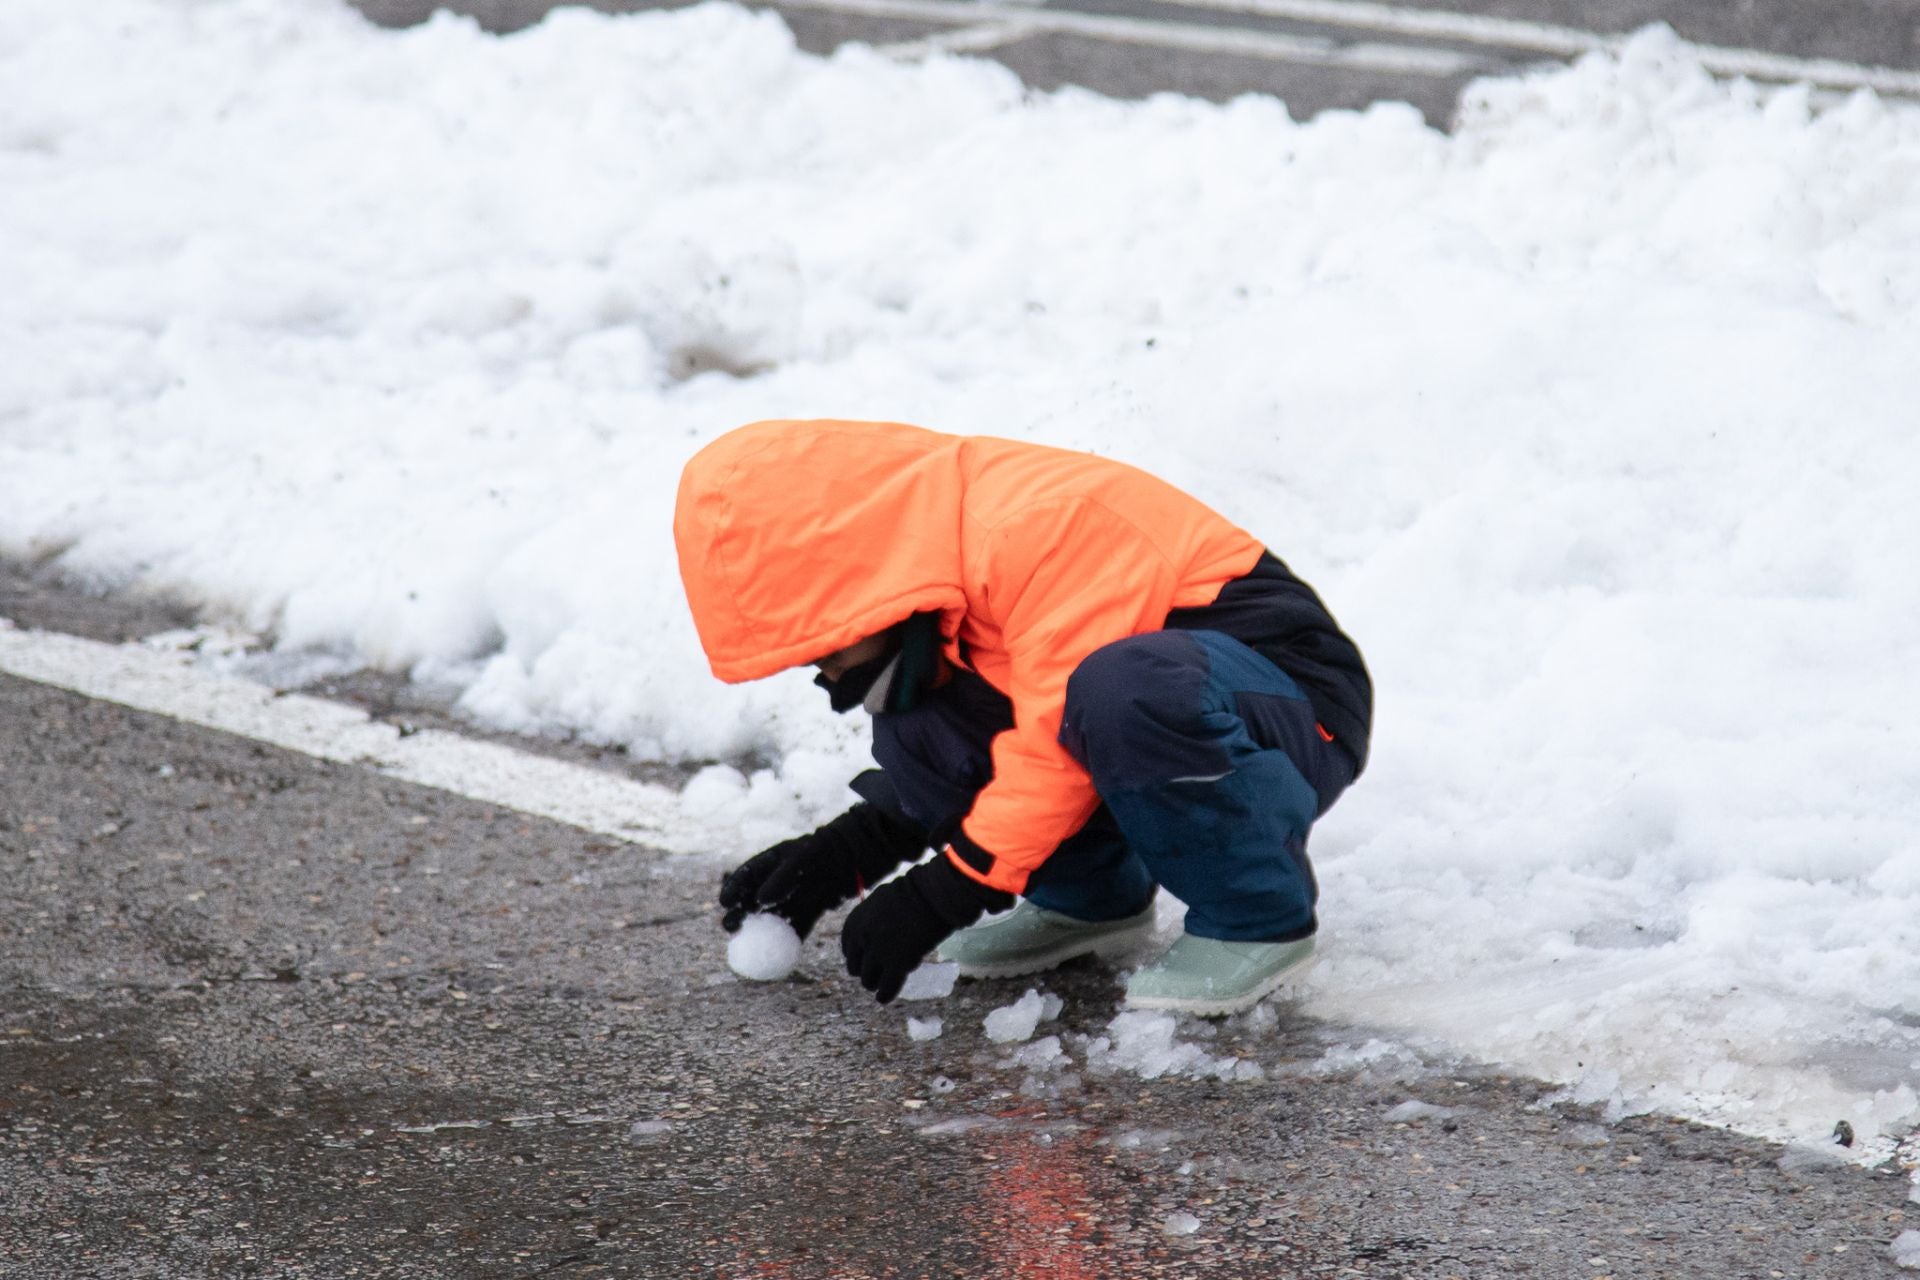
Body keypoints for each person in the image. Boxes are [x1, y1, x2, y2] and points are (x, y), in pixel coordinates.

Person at [674, 419, 1370, 1015]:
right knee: (915, 698)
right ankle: (1088, 900)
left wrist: (952, 885)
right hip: (1133, 707)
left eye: (824, 648)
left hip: (1287, 704)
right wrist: (852, 848)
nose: (828, 675)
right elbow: (999, 720)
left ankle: (1256, 921)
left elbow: (1054, 731)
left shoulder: (1035, 525)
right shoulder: (934, 577)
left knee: (1121, 686)